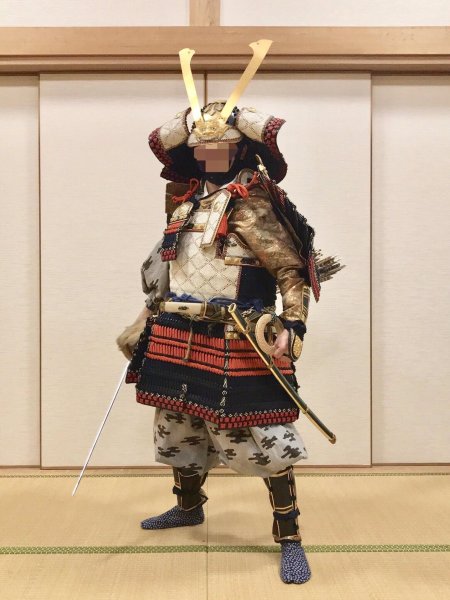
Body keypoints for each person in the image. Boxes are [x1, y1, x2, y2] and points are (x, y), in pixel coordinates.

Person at [117, 44, 341, 585]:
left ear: (242, 149)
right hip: (176, 327)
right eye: (202, 147)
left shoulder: (253, 201)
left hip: (237, 334)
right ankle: (188, 506)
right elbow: (170, 267)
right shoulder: (185, 202)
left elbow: (290, 271)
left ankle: (289, 537)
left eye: (221, 146)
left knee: (265, 434)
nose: (210, 154)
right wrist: (145, 315)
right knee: (179, 421)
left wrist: (293, 324)